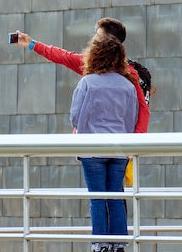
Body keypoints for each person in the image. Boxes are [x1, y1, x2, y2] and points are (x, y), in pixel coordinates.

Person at [14, 17, 150, 133]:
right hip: (95, 145)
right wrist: (32, 44)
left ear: (108, 42)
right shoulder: (92, 63)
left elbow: (143, 109)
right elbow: (62, 56)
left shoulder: (129, 73)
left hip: (119, 147)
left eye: (97, 38)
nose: (93, 41)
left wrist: (132, 145)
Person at [70, 34, 138, 252]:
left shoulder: (87, 83)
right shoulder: (128, 86)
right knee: (116, 198)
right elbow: (131, 119)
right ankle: (119, 245)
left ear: (95, 56)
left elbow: (74, 116)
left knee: (97, 199)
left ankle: (100, 246)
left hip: (92, 150)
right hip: (119, 149)